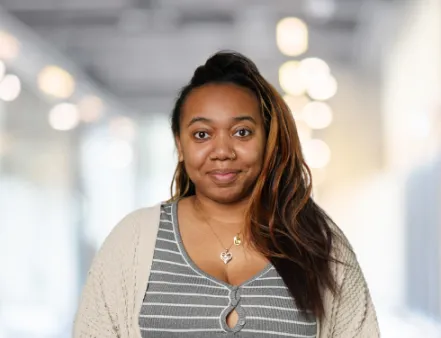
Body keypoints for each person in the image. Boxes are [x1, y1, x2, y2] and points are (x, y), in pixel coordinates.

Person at [73, 51, 380, 338]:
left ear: (268, 140)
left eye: (242, 132)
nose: (222, 151)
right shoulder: (133, 241)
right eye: (202, 134)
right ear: (180, 146)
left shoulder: (319, 243)